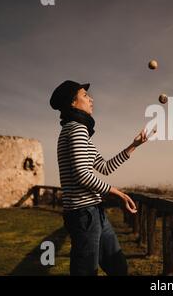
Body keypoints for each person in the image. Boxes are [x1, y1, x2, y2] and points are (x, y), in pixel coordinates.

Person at [50, 80, 148, 276]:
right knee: (85, 271)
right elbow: (82, 174)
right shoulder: (75, 130)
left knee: (118, 266)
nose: (91, 99)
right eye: (85, 96)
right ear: (73, 103)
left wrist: (133, 145)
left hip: (94, 212)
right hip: (83, 214)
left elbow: (104, 167)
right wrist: (116, 192)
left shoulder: (81, 133)